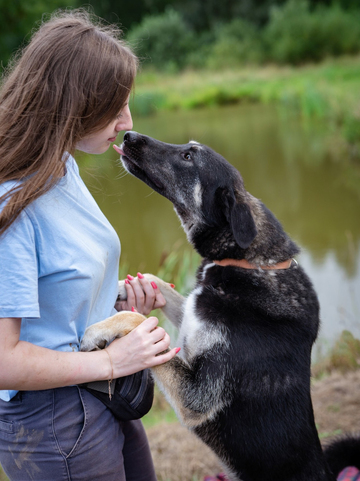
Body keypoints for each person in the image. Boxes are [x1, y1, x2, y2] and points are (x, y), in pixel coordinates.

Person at [0, 9, 179, 481]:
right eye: (115, 106)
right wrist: (113, 358)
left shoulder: (60, 165)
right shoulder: (10, 209)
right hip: (54, 424)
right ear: (72, 104)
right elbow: (3, 360)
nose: (128, 121)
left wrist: (117, 295)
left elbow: (52, 291)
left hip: (102, 392)